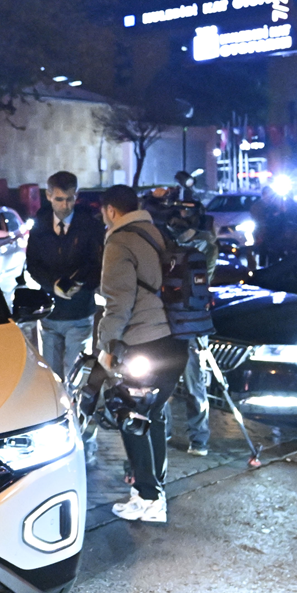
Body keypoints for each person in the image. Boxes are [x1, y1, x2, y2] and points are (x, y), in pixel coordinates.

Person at [95, 185, 190, 524]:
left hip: (144, 344)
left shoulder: (120, 242)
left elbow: (118, 303)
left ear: (110, 210)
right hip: (176, 341)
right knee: (153, 417)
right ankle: (154, 491)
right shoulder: (158, 233)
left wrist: (105, 347)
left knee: (129, 416)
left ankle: (148, 499)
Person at [24, 171, 104, 376]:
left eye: (69, 199)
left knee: (75, 375)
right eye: (59, 199)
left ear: (76, 196)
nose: (65, 205)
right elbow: (33, 264)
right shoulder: (40, 226)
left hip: (79, 311)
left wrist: (80, 284)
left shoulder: (90, 226)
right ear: (49, 195)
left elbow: (98, 264)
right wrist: (54, 285)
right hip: (50, 311)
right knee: (51, 375)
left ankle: (74, 408)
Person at [163, 209, 218, 457]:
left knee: (194, 385)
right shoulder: (166, 243)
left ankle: (199, 440)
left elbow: (205, 278)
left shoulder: (205, 244)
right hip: (169, 320)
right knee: (163, 383)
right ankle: (163, 431)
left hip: (192, 323)